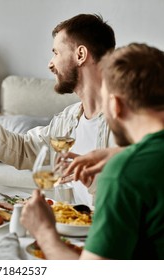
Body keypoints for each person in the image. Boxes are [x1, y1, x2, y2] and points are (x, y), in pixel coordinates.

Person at [0, 14, 116, 206]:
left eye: (56, 53)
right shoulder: (69, 120)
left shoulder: (127, 122)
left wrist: (94, 181)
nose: (50, 63)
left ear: (80, 55)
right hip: (73, 227)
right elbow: (23, 150)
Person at [21, 43, 164, 259]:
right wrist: (118, 155)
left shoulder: (122, 173)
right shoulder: (131, 164)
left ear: (115, 105)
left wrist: (43, 232)